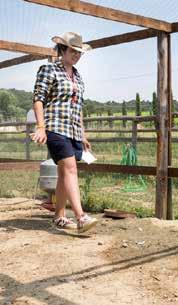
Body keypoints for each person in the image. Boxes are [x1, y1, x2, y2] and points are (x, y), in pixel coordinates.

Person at [31, 32, 97, 233]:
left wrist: (83, 135)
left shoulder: (77, 75)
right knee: (70, 169)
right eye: (73, 50)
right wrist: (41, 127)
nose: (77, 55)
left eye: (79, 52)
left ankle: (59, 216)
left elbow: (79, 107)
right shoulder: (49, 69)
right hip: (55, 127)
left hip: (73, 130)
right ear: (62, 50)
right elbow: (38, 99)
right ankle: (81, 217)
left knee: (63, 173)